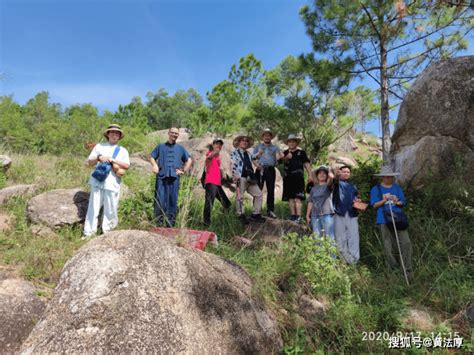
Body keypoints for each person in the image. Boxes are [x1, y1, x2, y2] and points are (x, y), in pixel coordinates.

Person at [83, 124, 130, 238]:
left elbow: (127, 165)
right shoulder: (99, 146)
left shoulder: (123, 150)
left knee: (111, 207)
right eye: (112, 132)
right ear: (108, 134)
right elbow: (89, 162)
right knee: (93, 207)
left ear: (119, 136)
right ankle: (89, 233)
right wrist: (99, 158)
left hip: (112, 182)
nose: (114, 134)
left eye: (117, 133)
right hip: (97, 180)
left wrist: (113, 160)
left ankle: (109, 233)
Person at [370, 166, 413, 277]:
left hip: (398, 218)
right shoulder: (376, 189)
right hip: (383, 219)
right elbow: (374, 205)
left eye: (391, 176)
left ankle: (407, 270)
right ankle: (393, 271)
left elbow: (402, 202)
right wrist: (384, 200)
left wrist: (397, 202)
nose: (389, 178)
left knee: (406, 243)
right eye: (386, 176)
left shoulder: (397, 188)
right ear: (382, 177)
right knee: (388, 246)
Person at [149, 127, 192, 227]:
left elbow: (189, 160)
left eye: (176, 133)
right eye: (172, 133)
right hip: (161, 177)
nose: (174, 135)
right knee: (159, 199)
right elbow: (152, 157)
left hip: (174, 178)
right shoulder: (160, 146)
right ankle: (157, 224)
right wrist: (155, 165)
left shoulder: (180, 148)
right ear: (168, 133)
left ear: (178, 135)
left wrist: (183, 170)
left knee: (172, 200)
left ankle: (170, 225)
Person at [231, 134, 265, 225]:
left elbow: (254, 158)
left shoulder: (248, 153)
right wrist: (234, 175)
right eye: (243, 140)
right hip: (240, 177)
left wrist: (259, 154)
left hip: (250, 177)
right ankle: (240, 215)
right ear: (239, 142)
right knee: (240, 196)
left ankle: (256, 214)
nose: (245, 142)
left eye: (246, 141)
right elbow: (232, 164)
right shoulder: (235, 152)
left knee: (258, 194)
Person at [332, 165, 362, 264]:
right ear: (340, 173)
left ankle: (354, 261)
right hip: (339, 212)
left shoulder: (353, 186)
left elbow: (357, 197)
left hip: (352, 213)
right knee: (340, 237)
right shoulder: (336, 183)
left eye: (348, 172)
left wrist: (358, 201)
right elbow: (334, 181)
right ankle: (343, 260)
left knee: (354, 237)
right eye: (344, 171)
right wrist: (336, 176)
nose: (346, 173)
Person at [253, 128, 283, 219]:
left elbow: (278, 159)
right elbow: (253, 158)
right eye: (265, 135)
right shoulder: (258, 147)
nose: (267, 137)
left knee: (270, 190)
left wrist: (279, 158)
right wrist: (257, 165)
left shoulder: (275, 148)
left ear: (271, 137)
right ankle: (256, 210)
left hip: (270, 170)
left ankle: (270, 210)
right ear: (262, 137)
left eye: (268, 135)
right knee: (257, 190)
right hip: (260, 169)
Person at [282, 134, 312, 224]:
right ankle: (293, 216)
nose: (291, 143)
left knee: (298, 197)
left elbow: (306, 164)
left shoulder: (301, 152)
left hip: (298, 178)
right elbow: (279, 161)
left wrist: (310, 175)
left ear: (296, 142)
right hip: (288, 178)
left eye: (293, 141)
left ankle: (298, 216)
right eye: (290, 141)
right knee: (290, 198)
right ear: (287, 143)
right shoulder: (285, 152)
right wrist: (286, 157)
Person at [203, 138, 231, 226]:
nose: (219, 146)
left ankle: (221, 218)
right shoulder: (210, 154)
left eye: (220, 144)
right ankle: (206, 223)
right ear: (213, 145)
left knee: (227, 203)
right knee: (209, 202)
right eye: (217, 144)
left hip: (217, 184)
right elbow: (209, 157)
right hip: (210, 182)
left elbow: (218, 168)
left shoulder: (218, 157)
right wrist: (216, 151)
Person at [306, 165, 335, 240]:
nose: (322, 175)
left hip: (327, 214)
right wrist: (307, 215)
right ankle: (319, 252)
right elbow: (310, 202)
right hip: (315, 215)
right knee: (317, 237)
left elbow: (331, 179)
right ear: (317, 175)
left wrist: (330, 174)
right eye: (320, 173)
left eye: (324, 173)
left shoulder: (328, 186)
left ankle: (332, 252)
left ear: (326, 175)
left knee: (330, 237)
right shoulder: (313, 188)